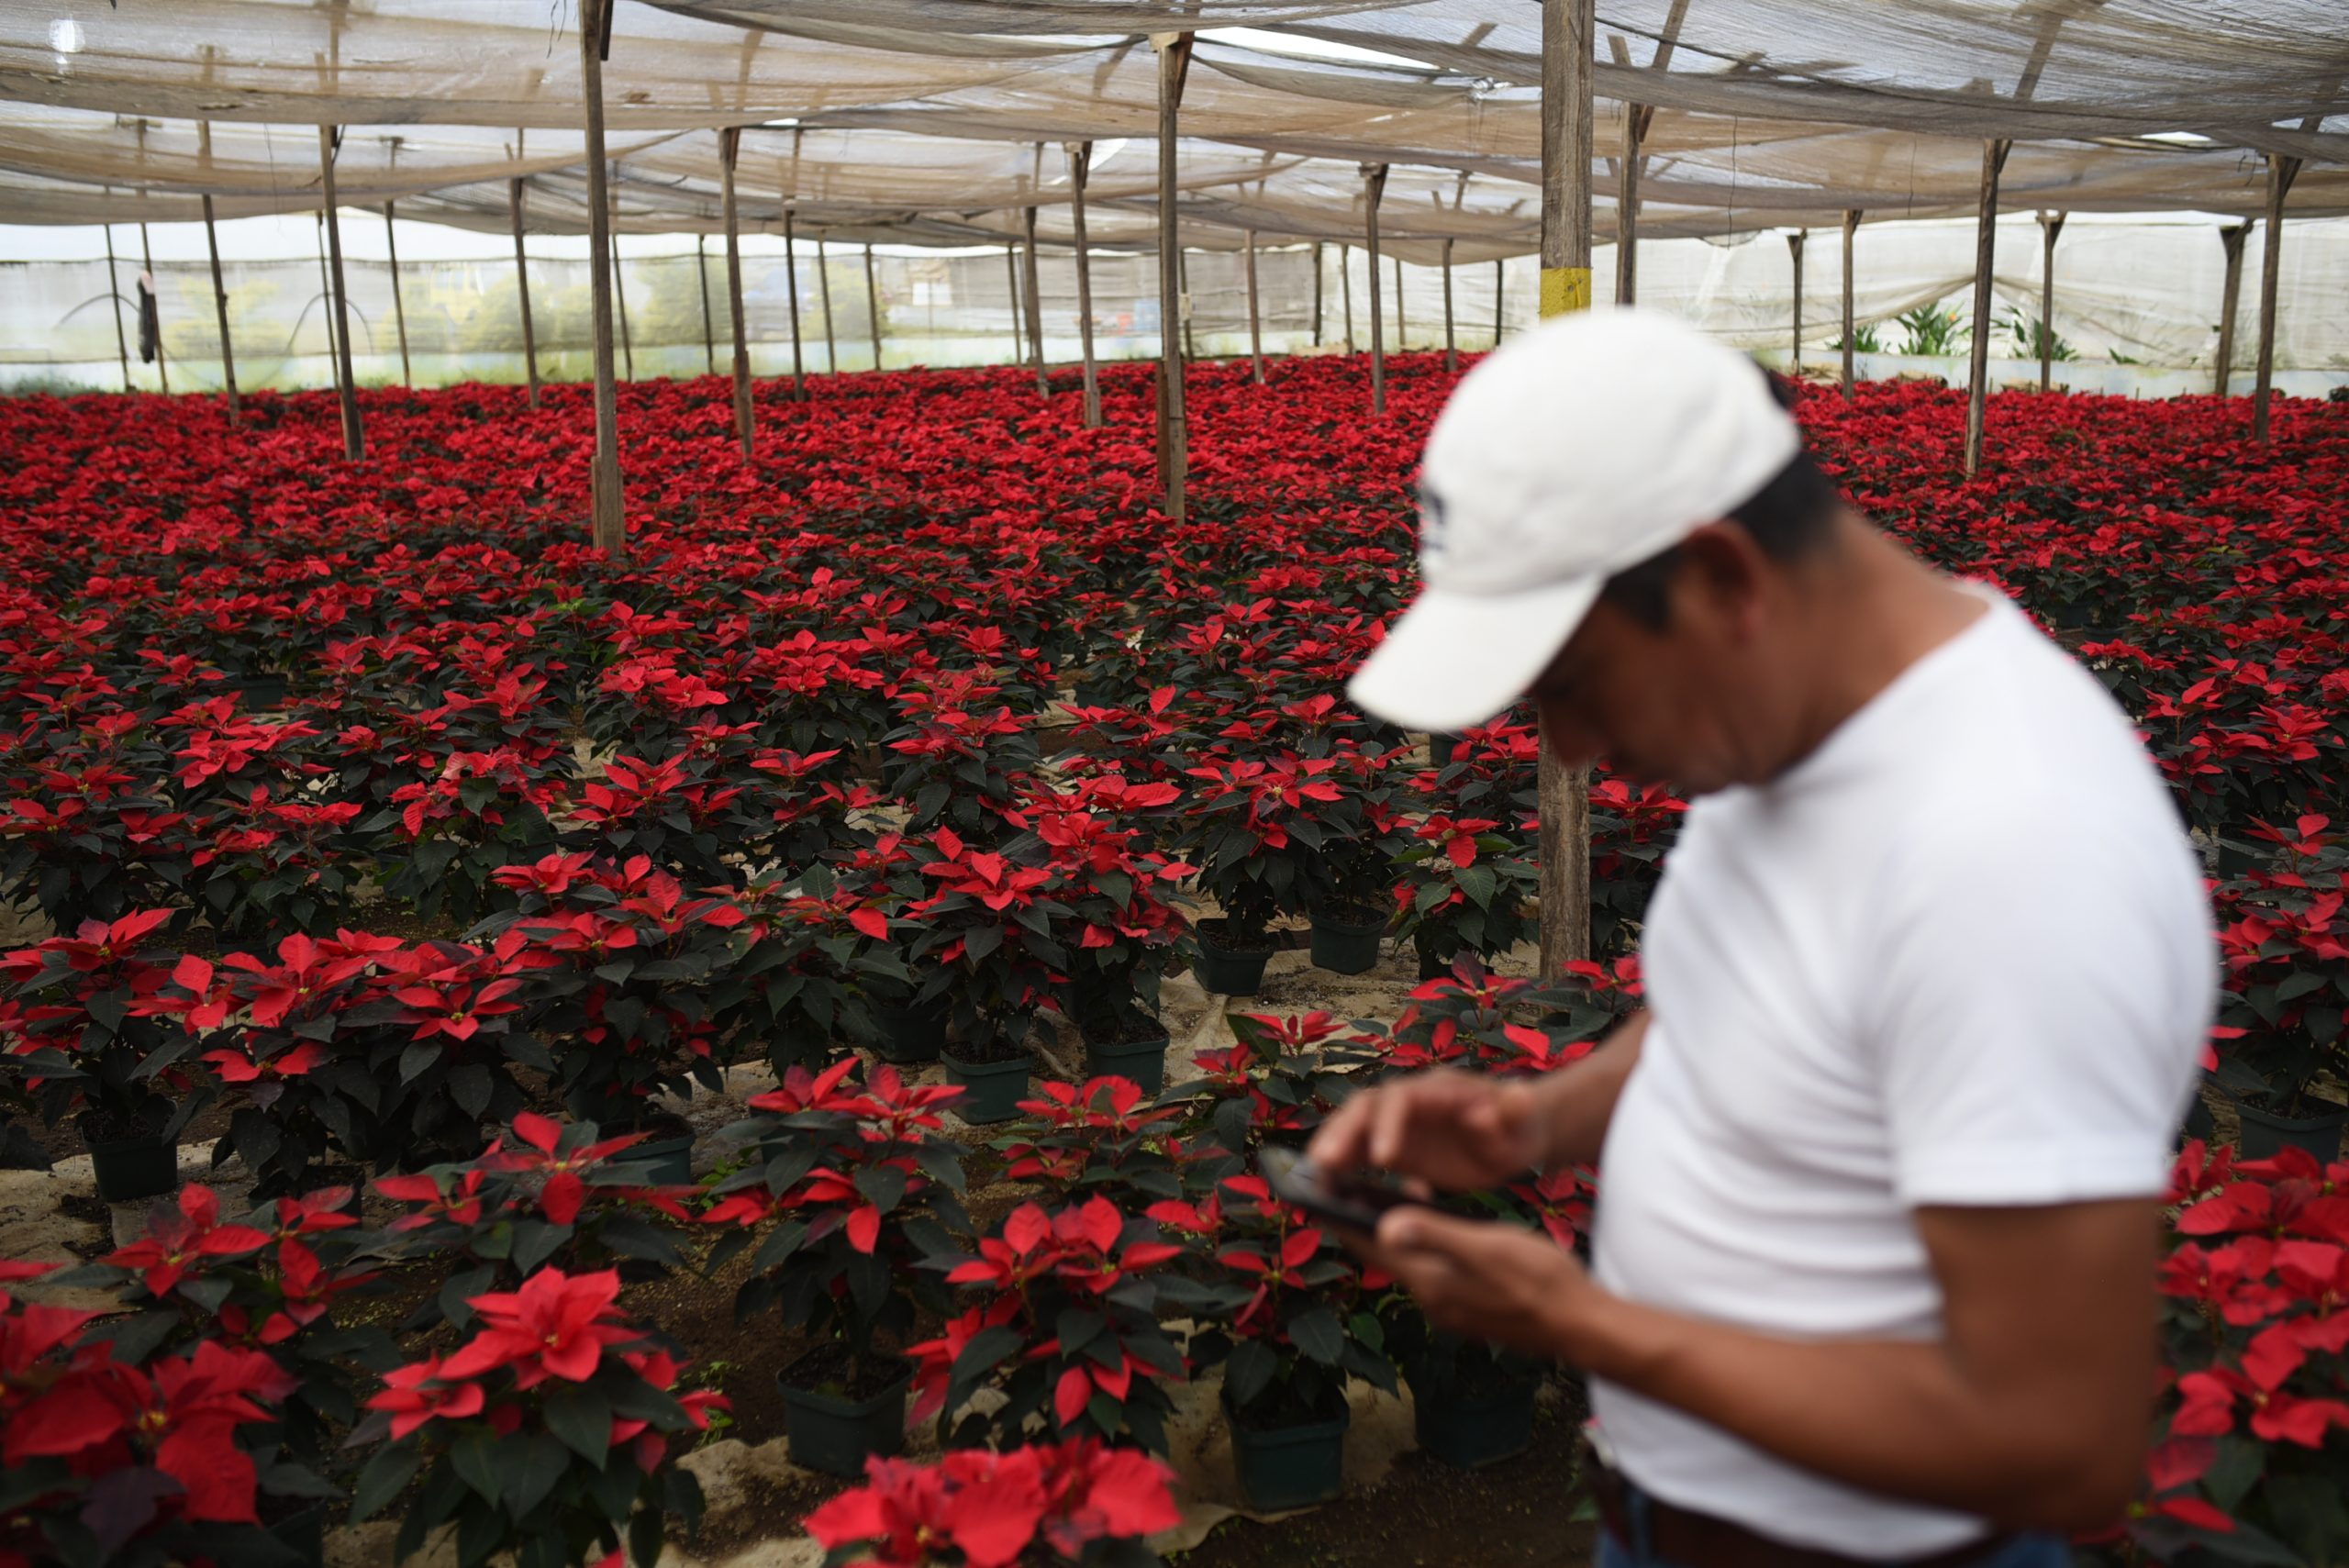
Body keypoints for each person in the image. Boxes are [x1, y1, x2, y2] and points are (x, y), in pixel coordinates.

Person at [1316, 308, 2212, 1568]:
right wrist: (1535, 1125)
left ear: (1724, 576)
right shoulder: (1802, 716)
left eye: (1571, 685)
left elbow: (2059, 1438)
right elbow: (1728, 1002)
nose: (1566, 747)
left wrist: (1591, 1324)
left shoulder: (2012, 851)